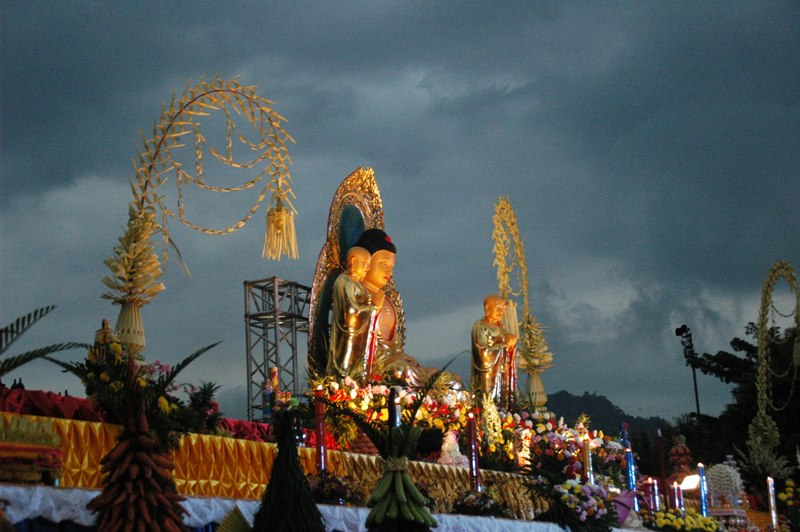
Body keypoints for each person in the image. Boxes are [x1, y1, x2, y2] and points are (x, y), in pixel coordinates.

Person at [327, 246, 379, 379]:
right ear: (354, 262)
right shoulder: (345, 281)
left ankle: (355, 378)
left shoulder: (356, 283)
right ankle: (342, 379)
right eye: (365, 264)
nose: (368, 268)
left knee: (357, 368)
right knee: (345, 366)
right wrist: (373, 308)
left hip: (358, 335)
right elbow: (350, 311)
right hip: (347, 333)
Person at [471, 294, 517, 404]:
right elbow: (483, 353)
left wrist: (510, 346)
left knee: (503, 401)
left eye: (502, 309)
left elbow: (506, 347)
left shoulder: (499, 328)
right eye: (498, 308)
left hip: (502, 371)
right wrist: (505, 344)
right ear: (487, 308)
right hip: (488, 374)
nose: (501, 312)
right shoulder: (480, 326)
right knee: (489, 402)